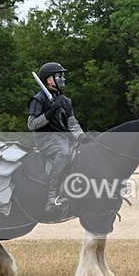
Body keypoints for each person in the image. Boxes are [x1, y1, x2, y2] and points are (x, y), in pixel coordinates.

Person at [27, 62, 92, 213]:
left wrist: (82, 136)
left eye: (63, 75)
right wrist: (49, 114)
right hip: (46, 138)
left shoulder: (66, 101)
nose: (63, 78)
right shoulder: (38, 99)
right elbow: (32, 124)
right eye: (59, 76)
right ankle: (51, 197)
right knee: (64, 153)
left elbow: (72, 124)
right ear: (49, 80)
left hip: (65, 137)